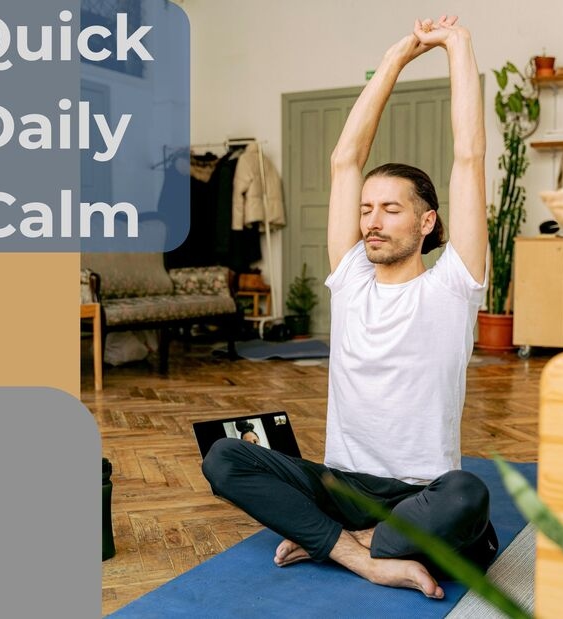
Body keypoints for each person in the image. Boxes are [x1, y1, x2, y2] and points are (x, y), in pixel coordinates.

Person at [204, 16, 493, 600]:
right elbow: (345, 157)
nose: (372, 222)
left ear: (427, 221)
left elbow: (469, 158)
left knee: (468, 495)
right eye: (366, 209)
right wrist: (393, 59)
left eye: (390, 209)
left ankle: (341, 540)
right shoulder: (352, 278)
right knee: (226, 458)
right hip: (339, 484)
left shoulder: (454, 284)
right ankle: (367, 554)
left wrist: (458, 47)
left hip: (420, 490)